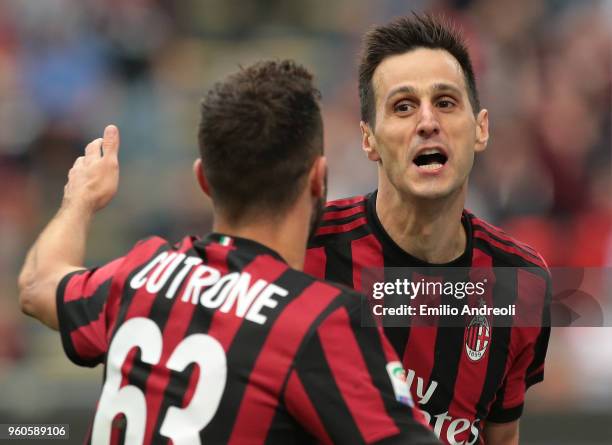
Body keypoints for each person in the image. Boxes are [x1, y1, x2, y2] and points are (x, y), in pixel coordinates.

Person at [18, 60, 440, 445]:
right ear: (318, 180)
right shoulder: (318, 321)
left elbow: (37, 284)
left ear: (203, 181)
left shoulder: (140, 273)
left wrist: (81, 198)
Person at [305, 15, 551, 445]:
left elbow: (502, 437)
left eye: (446, 102)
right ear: (369, 140)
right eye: (403, 106)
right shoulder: (307, 249)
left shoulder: (521, 282)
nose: (426, 121)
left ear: (481, 129)